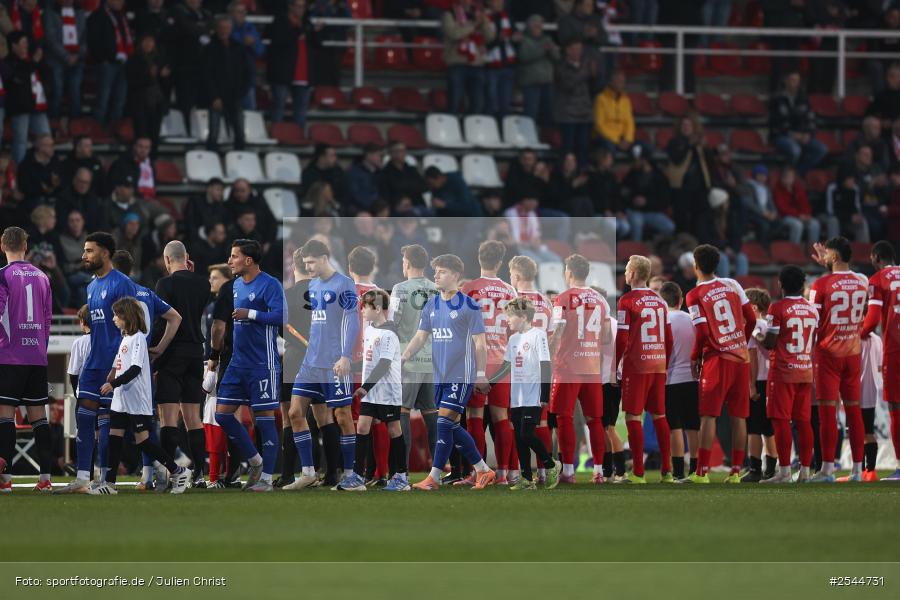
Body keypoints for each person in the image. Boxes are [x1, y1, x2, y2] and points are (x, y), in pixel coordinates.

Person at [402, 253, 496, 491]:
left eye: (441, 271)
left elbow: (480, 343)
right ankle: (483, 470)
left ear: (455, 275)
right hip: (439, 375)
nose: (436, 275)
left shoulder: (468, 305)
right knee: (451, 425)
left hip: (461, 374)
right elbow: (420, 337)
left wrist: (482, 373)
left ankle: (433, 477)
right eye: (436, 271)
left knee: (443, 422)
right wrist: (404, 356)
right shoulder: (431, 304)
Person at [55, 232, 139, 494]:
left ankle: (104, 478)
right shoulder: (90, 286)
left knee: (107, 422)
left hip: (113, 364)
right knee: (83, 417)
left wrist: (119, 365)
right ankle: (82, 477)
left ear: (105, 252)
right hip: (92, 363)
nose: (84, 255)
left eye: (90, 250)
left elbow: (131, 327)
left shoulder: (122, 284)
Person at [89, 297, 191, 495]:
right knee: (114, 440)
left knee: (143, 442)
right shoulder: (125, 338)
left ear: (126, 317)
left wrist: (113, 383)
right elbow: (122, 365)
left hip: (136, 401)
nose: (113, 319)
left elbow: (135, 368)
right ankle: (109, 484)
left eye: (116, 315)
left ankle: (178, 470)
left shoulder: (138, 339)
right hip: (121, 400)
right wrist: (112, 376)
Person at [285, 239, 361, 491]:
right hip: (311, 363)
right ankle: (308, 473)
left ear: (324, 258)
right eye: (305, 263)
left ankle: (351, 475)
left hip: (334, 363)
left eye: (311, 262)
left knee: (342, 415)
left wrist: (345, 356)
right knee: (295, 412)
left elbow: (353, 321)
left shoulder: (345, 284)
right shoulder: (314, 285)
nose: (308, 268)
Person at [214, 239, 286, 492]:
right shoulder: (234, 286)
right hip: (237, 362)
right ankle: (255, 461)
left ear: (248, 260)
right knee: (221, 414)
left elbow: (281, 317)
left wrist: (251, 314)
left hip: (262, 364)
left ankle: (266, 478)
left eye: (234, 256)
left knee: (264, 420)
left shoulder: (270, 284)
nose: (229, 261)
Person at [684, 244, 756, 483]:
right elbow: (752, 318)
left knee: (708, 416)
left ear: (696, 266)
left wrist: (695, 356)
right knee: (739, 417)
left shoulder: (694, 294)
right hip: (741, 358)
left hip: (717, 360)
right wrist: (741, 343)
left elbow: (703, 332)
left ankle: (701, 472)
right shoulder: (733, 284)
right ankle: (736, 471)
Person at [110, 249, 181, 491]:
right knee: (129, 429)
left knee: (132, 431)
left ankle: (169, 471)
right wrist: (159, 348)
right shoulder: (146, 292)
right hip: (140, 367)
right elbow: (175, 317)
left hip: (132, 367)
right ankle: (146, 476)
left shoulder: (117, 290)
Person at [808, 238, 869, 483]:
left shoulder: (820, 284)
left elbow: (813, 321)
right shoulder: (862, 280)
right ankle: (856, 471)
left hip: (827, 354)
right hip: (853, 353)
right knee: (854, 412)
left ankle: (827, 470)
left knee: (827, 413)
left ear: (833, 257)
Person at [459, 241, 518, 485]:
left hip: (477, 359)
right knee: (501, 417)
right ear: (501, 262)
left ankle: (479, 472)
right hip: (502, 360)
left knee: (474, 415)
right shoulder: (510, 291)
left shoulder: (469, 288)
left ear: (478, 258)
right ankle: (503, 474)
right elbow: (515, 328)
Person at [548, 254, 611, 484]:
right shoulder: (601, 300)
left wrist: (550, 355)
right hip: (592, 366)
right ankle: (599, 472)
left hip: (567, 367)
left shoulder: (562, 298)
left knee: (564, 418)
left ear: (569, 273)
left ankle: (568, 472)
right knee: (595, 420)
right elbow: (605, 337)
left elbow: (558, 331)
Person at [0, 227, 53, 493]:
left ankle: (5, 481)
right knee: (38, 418)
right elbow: (46, 320)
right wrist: (40, 350)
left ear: (2, 246)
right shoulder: (42, 276)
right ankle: (45, 478)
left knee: (5, 417)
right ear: (25, 246)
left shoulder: (3, 276)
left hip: (9, 355)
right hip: (36, 358)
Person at [154, 241, 212, 486]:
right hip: (195, 353)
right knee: (193, 417)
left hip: (172, 352)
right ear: (186, 258)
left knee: (168, 417)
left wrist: (156, 355)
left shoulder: (164, 284)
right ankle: (199, 473)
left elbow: (162, 321)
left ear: (167, 260)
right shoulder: (203, 283)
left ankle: (170, 474)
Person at [492, 297, 560, 490]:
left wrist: (545, 395)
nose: (508, 321)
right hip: (517, 396)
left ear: (522, 316)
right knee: (519, 438)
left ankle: (551, 464)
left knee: (527, 434)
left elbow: (545, 365)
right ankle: (526, 479)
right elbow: (507, 365)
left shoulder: (538, 335)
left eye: (510, 316)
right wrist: (490, 383)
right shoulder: (513, 339)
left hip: (533, 395)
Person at [616, 255, 673, 484]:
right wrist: (664, 363)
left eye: (627, 270)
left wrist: (615, 366)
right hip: (658, 364)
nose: (625, 274)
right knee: (660, 415)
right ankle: (666, 472)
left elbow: (622, 338)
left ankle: (638, 473)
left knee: (633, 415)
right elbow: (668, 339)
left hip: (636, 365)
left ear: (634, 274)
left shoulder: (626, 301)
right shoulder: (660, 302)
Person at [760, 266, 818, 484]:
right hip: (805, 370)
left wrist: (758, 335)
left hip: (783, 371)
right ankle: (804, 471)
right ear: (803, 285)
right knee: (803, 422)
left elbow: (771, 342)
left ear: (780, 284)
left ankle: (784, 473)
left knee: (780, 420)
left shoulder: (778, 308)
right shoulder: (813, 309)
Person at [351, 289, 409, 491]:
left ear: (376, 308)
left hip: (387, 391)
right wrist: (349, 366)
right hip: (371, 392)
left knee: (394, 429)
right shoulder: (369, 330)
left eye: (365, 307)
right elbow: (369, 362)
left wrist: (364, 388)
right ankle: (357, 477)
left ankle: (401, 477)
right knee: (363, 427)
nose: (362, 311)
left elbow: (384, 364)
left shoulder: (389, 334)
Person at [389, 244, 439, 475]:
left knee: (402, 412)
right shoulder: (437, 289)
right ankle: (440, 470)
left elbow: (392, 322)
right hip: (433, 360)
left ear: (407, 263)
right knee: (432, 415)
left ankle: (402, 470)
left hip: (407, 359)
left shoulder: (400, 289)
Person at [507, 255, 555, 480]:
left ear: (516, 276)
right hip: (520, 385)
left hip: (535, 381)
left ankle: (548, 465)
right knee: (525, 432)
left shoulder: (517, 298)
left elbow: (545, 356)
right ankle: (535, 476)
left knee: (527, 433)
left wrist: (545, 391)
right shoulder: (546, 300)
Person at [346, 246, 387, 485]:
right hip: (375, 364)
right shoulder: (382, 295)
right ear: (373, 267)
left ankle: (355, 472)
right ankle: (381, 473)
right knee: (379, 418)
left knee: (353, 419)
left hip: (351, 363)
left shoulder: (346, 293)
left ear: (350, 268)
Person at [861, 240, 900, 481]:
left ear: (876, 258)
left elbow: (872, 318)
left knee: (896, 408)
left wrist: (855, 336)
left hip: (896, 349)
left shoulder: (877, 280)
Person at [660, 281, 699, 482]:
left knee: (674, 427)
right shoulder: (692, 318)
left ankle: (677, 472)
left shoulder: (663, 320)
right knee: (693, 425)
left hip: (670, 379)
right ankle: (696, 469)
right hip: (693, 378)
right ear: (681, 300)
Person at [743, 288, 777, 483]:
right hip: (770, 378)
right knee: (768, 427)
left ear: (753, 307)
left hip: (759, 380)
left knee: (754, 427)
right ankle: (771, 467)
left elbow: (753, 356)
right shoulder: (767, 324)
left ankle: (755, 468)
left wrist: (751, 385)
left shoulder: (753, 325)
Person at [267, 0, 318, 127]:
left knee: (301, 109)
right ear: (290, 7)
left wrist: (316, 32)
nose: (300, 10)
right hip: (283, 73)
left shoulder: (307, 23)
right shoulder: (280, 22)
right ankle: (276, 134)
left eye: (303, 7)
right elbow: (279, 42)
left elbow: (317, 44)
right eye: (298, 6)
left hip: (303, 74)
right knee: (279, 106)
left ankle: (298, 136)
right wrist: (297, 30)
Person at [4, 31, 51, 164]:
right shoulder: (8, 62)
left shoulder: (31, 59)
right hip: (20, 108)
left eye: (26, 42)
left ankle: (46, 167)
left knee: (46, 138)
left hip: (38, 106)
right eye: (23, 43)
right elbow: (19, 78)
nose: (26, 46)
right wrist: (34, 62)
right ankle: (20, 171)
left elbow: (47, 73)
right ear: (13, 46)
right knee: (21, 141)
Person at [203, 15, 248, 152]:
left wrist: (241, 92)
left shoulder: (238, 47)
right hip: (216, 97)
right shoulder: (209, 48)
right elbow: (206, 75)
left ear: (231, 29)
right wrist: (214, 97)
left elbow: (245, 72)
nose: (224, 31)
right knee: (213, 133)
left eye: (227, 28)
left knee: (240, 133)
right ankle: (211, 162)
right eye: (221, 28)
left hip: (235, 96)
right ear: (217, 29)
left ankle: (240, 160)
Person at [768, 71, 827, 175]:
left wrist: (808, 134)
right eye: (793, 80)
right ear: (785, 81)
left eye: (797, 81)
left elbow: (811, 119)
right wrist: (794, 135)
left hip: (802, 135)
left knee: (821, 149)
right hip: (781, 136)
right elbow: (776, 123)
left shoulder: (803, 99)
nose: (796, 83)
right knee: (795, 150)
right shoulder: (777, 99)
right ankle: (787, 174)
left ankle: (798, 173)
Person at [442, 0, 494, 114]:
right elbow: (454, 34)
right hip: (457, 63)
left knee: (477, 104)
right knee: (454, 102)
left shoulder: (478, 14)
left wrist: (484, 23)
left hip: (476, 64)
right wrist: (473, 24)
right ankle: (452, 129)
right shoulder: (450, 14)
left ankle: (470, 130)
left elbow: (490, 37)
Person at [843, 332, 882, 482]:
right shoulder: (877, 339)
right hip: (870, 391)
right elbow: (879, 366)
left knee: (858, 431)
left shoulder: (852, 335)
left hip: (854, 389)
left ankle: (861, 470)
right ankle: (868, 470)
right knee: (867, 430)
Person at [86, 0, 132, 125]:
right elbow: (94, 42)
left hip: (123, 63)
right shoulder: (97, 16)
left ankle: (114, 127)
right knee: (103, 99)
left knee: (120, 99)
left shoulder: (122, 16)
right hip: (106, 64)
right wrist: (106, 58)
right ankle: (97, 128)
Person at [554, 40, 595, 166]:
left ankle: (581, 177)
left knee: (583, 148)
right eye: (576, 48)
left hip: (584, 114)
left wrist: (594, 74)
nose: (579, 52)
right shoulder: (561, 65)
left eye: (580, 49)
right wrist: (586, 72)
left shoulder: (586, 65)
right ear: (568, 50)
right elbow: (568, 84)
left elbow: (595, 87)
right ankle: (566, 175)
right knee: (568, 148)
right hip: (568, 115)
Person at [44, 0, 86, 120]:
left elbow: (85, 37)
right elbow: (50, 38)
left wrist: (78, 55)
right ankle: (54, 125)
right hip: (57, 60)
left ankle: (75, 127)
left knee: (75, 94)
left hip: (77, 60)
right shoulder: (50, 12)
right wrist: (66, 56)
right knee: (57, 93)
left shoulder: (79, 12)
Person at [126, 34, 169, 148]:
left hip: (156, 103)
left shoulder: (158, 59)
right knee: (141, 134)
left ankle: (152, 160)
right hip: (140, 103)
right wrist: (149, 76)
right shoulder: (134, 59)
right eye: (146, 41)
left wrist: (163, 76)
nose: (149, 44)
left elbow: (163, 84)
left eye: (151, 41)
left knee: (154, 134)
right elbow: (132, 81)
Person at [516, 14, 557, 126]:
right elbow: (524, 56)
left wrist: (552, 50)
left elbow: (557, 57)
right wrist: (542, 49)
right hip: (531, 83)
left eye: (540, 26)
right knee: (531, 112)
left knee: (547, 112)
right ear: (529, 26)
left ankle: (544, 137)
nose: (539, 28)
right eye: (536, 26)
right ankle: (528, 138)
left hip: (547, 82)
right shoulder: (523, 39)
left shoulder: (547, 39)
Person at [483, 0, 516, 119]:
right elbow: (482, 44)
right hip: (491, 66)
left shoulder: (509, 18)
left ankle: (504, 132)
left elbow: (513, 37)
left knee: (505, 103)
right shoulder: (484, 19)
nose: (500, 3)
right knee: (491, 102)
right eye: (497, 1)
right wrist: (499, 39)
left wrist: (515, 39)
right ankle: (490, 131)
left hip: (507, 65)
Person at [772, 166, 820, 245]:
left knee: (815, 224)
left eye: (791, 177)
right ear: (782, 177)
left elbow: (805, 203)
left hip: (800, 216)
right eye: (786, 177)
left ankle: (813, 250)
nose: (788, 179)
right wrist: (798, 215)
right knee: (797, 225)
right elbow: (782, 208)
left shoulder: (797, 188)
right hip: (784, 216)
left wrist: (806, 215)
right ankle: (794, 249)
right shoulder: (777, 189)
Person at [229, 1, 263, 110]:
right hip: (230, 76)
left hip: (248, 76)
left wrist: (252, 44)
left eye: (244, 12)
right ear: (232, 13)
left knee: (250, 110)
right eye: (239, 12)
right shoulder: (226, 27)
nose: (242, 15)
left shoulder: (250, 27)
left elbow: (260, 50)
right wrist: (243, 41)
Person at [593, 71, 634, 154]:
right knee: (609, 148)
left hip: (622, 139)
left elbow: (629, 122)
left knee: (645, 148)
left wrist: (628, 139)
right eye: (618, 81)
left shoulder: (626, 100)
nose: (621, 84)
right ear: (611, 82)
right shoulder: (601, 99)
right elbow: (599, 125)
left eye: (623, 82)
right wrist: (616, 140)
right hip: (606, 138)